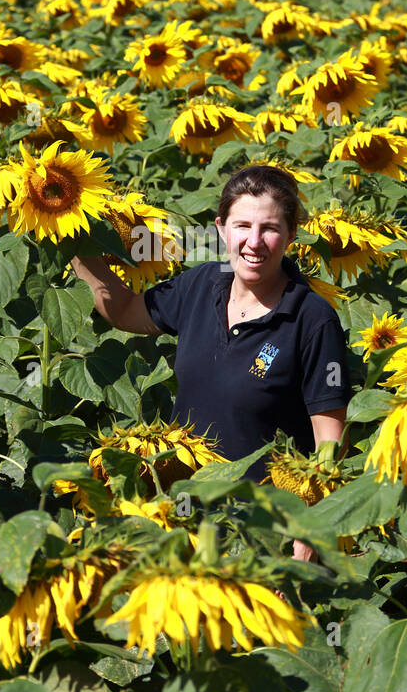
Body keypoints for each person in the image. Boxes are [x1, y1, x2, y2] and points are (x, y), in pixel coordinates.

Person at [70, 164, 354, 562]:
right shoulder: (200, 285)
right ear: (221, 228)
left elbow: (329, 444)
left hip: (262, 535)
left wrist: (301, 554)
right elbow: (126, 311)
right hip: (181, 523)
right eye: (242, 226)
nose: (254, 242)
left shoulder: (312, 318)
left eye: (270, 228)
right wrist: (74, 244)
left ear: (291, 235)